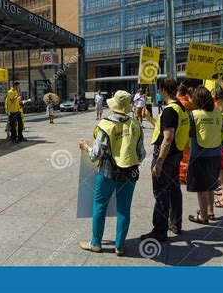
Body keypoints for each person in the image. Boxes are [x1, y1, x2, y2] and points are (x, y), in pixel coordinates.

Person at [79, 90, 146, 256]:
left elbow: (96, 155)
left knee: (100, 206)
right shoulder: (136, 125)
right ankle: (120, 246)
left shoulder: (106, 124)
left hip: (107, 172)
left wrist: (86, 147)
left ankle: (95, 243)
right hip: (129, 173)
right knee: (124, 209)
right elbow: (142, 154)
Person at [141, 78, 190, 241]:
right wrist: (149, 118)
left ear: (162, 90)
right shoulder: (180, 107)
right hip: (176, 154)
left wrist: (159, 163)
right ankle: (175, 223)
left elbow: (167, 138)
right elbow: (165, 129)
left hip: (166, 156)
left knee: (161, 193)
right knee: (174, 189)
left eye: (158, 90)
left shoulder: (170, 110)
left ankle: (160, 230)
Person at [187, 86, 223, 224]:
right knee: (211, 184)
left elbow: (189, 132)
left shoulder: (194, 114)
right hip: (216, 152)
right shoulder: (218, 112)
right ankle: (210, 211)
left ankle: (203, 216)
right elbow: (222, 128)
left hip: (199, 154)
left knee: (201, 186)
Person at [176, 83, 194, 185]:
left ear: (178, 92)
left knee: (182, 155)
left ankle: (182, 176)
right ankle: (187, 174)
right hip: (190, 132)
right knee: (188, 155)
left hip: (181, 132)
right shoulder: (191, 104)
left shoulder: (178, 104)